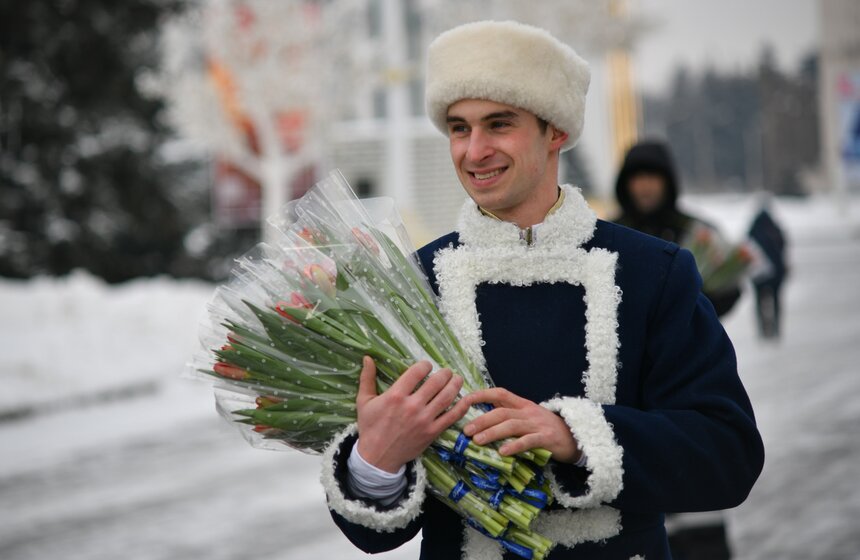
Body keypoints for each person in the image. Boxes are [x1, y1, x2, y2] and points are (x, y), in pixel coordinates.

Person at [319, 21, 764, 559]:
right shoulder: (414, 284)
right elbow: (373, 532)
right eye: (459, 128)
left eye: (498, 124)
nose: (474, 151)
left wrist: (574, 436)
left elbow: (727, 455)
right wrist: (376, 460)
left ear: (555, 131)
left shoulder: (652, 272)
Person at [613, 140, 743, 318]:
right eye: (638, 178)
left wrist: (694, 309)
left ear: (667, 181)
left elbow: (729, 288)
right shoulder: (612, 233)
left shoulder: (694, 230)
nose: (645, 186)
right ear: (625, 183)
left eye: (653, 177)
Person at [747, 198, 788, 339]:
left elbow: (747, 249)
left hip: (758, 275)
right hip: (776, 273)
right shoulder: (775, 229)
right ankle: (776, 328)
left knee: (759, 302)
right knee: (776, 301)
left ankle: (763, 329)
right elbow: (783, 248)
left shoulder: (753, 230)